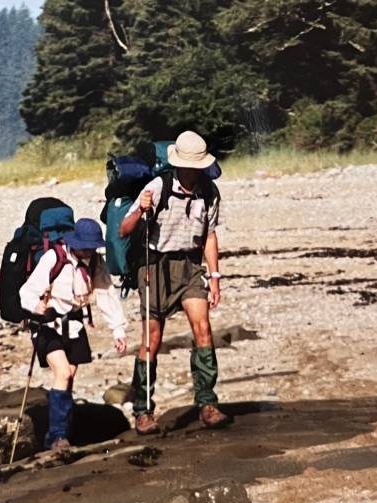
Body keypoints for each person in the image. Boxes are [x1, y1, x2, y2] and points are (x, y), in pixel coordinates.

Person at [119, 130, 228, 435]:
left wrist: (215, 277)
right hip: (154, 266)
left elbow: (209, 235)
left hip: (190, 266)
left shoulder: (210, 192)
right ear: (180, 164)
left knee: (203, 328)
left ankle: (207, 404)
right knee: (152, 338)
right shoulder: (158, 187)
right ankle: (143, 410)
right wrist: (141, 209)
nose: (194, 170)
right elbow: (124, 230)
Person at [20, 218, 127, 450]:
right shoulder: (54, 258)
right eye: (85, 246)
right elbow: (27, 292)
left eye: (92, 247)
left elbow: (106, 295)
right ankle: (57, 436)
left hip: (74, 324)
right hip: (48, 324)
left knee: (69, 378)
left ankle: (61, 433)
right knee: (63, 373)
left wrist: (118, 329)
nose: (88, 251)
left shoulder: (95, 262)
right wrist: (37, 308)